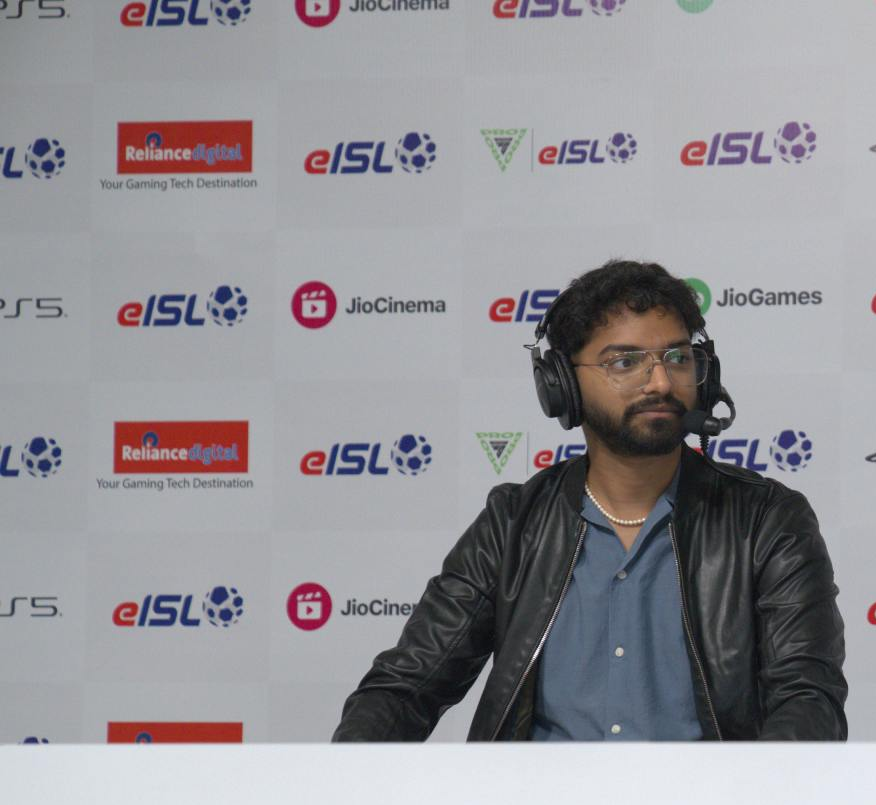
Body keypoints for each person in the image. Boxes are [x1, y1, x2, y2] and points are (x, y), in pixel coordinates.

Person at [334, 259, 847, 742]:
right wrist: (343, 781)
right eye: (625, 362)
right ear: (562, 386)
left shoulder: (765, 521)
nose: (661, 382)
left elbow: (807, 698)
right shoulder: (514, 524)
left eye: (677, 358)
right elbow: (404, 689)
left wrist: (750, 796)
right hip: (534, 804)